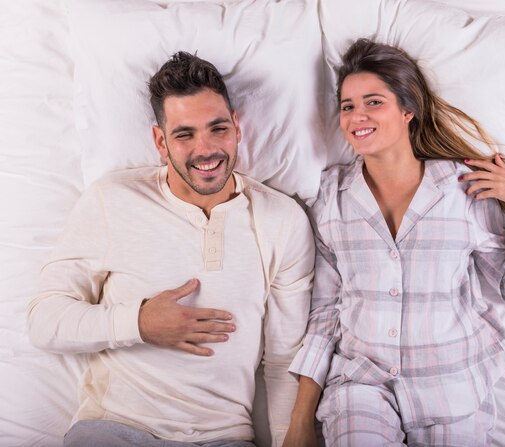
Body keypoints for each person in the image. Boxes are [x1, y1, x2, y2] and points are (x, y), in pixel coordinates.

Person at [27, 51, 314, 447]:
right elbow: (45, 321)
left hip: (223, 436)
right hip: (116, 428)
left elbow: (284, 363)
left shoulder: (282, 220)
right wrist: (140, 323)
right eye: (185, 135)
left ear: (237, 128)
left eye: (218, 129)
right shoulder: (112, 201)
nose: (207, 149)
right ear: (160, 142)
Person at [284, 39, 505, 447]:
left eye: (373, 102)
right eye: (348, 106)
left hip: (450, 386)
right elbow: (326, 313)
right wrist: (299, 420)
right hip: (360, 387)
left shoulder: (463, 187)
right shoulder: (331, 196)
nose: (357, 116)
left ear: (408, 110)